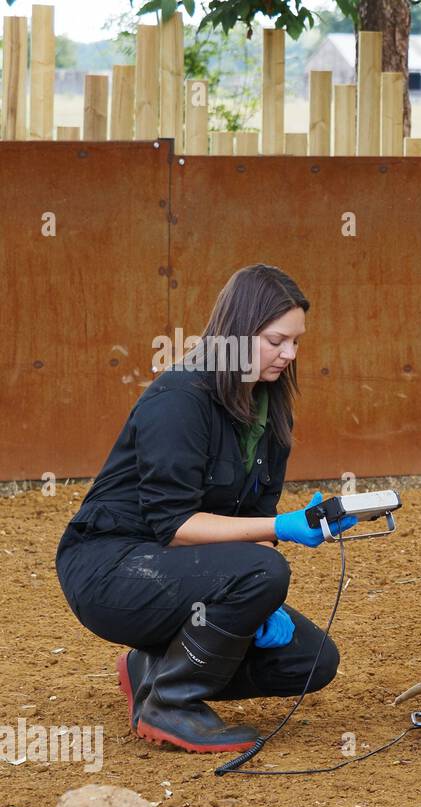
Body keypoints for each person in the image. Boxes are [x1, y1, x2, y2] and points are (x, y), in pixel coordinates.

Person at [55, 264, 355, 754]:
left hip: (177, 572)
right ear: (238, 334)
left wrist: (269, 577)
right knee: (263, 570)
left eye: (297, 341)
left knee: (311, 660)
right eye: (277, 340)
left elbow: (249, 525)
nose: (290, 354)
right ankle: (171, 704)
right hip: (110, 567)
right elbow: (174, 526)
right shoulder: (179, 397)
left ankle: (155, 667)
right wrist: (280, 531)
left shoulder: (269, 406)